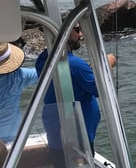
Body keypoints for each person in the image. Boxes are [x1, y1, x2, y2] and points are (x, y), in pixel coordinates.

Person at [35, 23, 116, 159]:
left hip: (57, 135)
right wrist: (107, 64)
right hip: (77, 138)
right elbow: (101, 89)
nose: (81, 34)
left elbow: (71, 79)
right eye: (77, 30)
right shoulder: (74, 65)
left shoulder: (43, 59)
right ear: (63, 31)